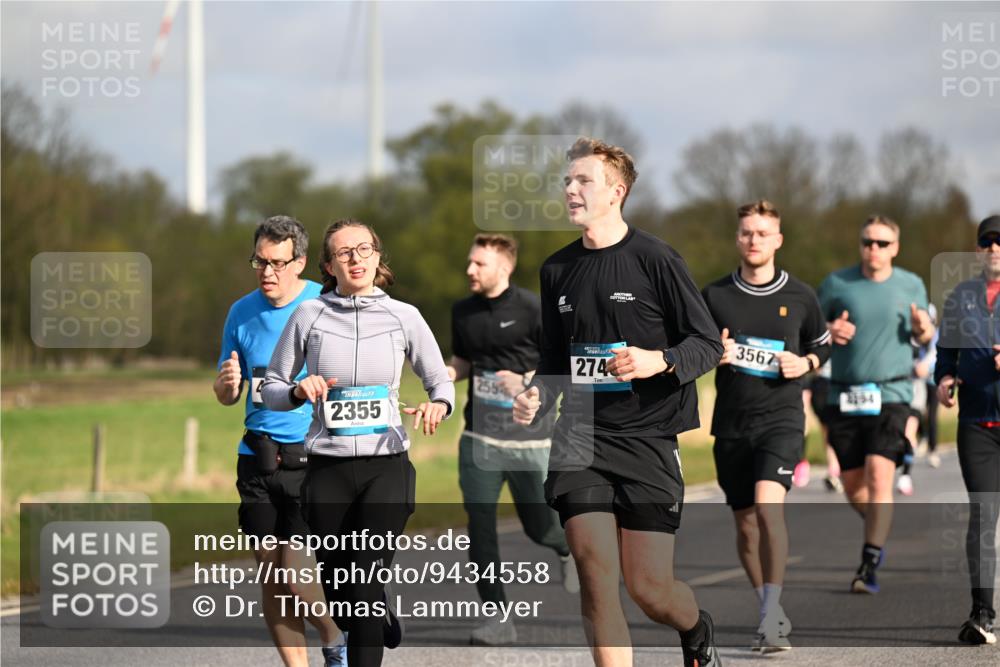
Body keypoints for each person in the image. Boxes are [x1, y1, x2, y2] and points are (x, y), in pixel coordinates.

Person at [513, 137, 724, 667]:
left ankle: (696, 628)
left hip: (648, 437)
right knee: (596, 573)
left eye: (583, 180)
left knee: (650, 590)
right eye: (567, 181)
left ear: (617, 192)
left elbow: (708, 344)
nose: (571, 189)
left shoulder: (655, 259)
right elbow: (557, 360)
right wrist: (538, 393)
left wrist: (660, 360)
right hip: (580, 437)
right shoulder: (556, 270)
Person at [262, 219, 455, 667]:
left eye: (364, 249)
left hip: (386, 468)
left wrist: (438, 407)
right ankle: (379, 614)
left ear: (376, 257)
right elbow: (273, 385)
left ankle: (373, 613)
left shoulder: (404, 316)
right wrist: (296, 391)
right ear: (329, 265)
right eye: (345, 252)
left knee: (363, 584)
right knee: (339, 589)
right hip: (326, 471)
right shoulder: (308, 316)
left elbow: (439, 383)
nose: (356, 259)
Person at [214, 215, 347, 667]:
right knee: (272, 579)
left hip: (313, 459)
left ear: (301, 262)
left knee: (295, 571)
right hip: (256, 460)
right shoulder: (240, 312)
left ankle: (334, 635)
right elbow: (227, 394)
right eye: (259, 261)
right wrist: (227, 385)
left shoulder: (327, 302)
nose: (266, 272)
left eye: (276, 263)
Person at [702, 199, 831, 652]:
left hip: (781, 419)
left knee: (767, 508)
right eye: (746, 232)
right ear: (737, 238)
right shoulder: (714, 296)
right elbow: (692, 350)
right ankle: (765, 607)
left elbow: (822, 344)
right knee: (745, 527)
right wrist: (711, 354)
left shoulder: (800, 295)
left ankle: (774, 615)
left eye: (762, 233)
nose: (753, 240)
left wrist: (807, 362)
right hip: (731, 424)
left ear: (778, 239)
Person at [446, 232, 577, 646]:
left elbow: (561, 366)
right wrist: (445, 376)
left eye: (479, 264)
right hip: (478, 437)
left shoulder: (533, 310)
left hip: (529, 440)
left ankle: (565, 547)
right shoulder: (463, 311)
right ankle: (498, 619)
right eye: (469, 261)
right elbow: (463, 361)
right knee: (479, 527)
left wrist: (520, 381)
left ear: (504, 267)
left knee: (540, 526)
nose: (469, 269)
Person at [818, 215, 935, 594]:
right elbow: (811, 329)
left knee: (879, 474)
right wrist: (830, 330)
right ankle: (879, 527)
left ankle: (868, 562)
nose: (874, 248)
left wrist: (921, 329)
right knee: (854, 486)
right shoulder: (837, 283)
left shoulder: (911, 284)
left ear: (895, 248)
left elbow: (927, 332)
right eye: (868, 241)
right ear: (860, 244)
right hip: (846, 395)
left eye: (882, 243)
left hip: (893, 394)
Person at [935, 214, 1000, 645]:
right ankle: (982, 614)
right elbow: (946, 352)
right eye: (988, 242)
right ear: (978, 250)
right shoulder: (961, 296)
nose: (995, 249)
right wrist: (943, 379)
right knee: (983, 515)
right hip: (977, 425)